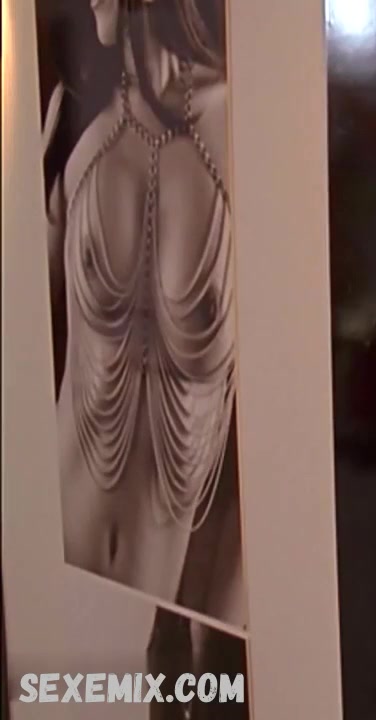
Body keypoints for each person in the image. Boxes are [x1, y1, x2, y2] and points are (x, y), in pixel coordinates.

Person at [43, 0, 244, 641]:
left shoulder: (249, 135)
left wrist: (217, 634)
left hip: (154, 623)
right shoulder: (73, 115)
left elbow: (273, 442)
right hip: (46, 567)